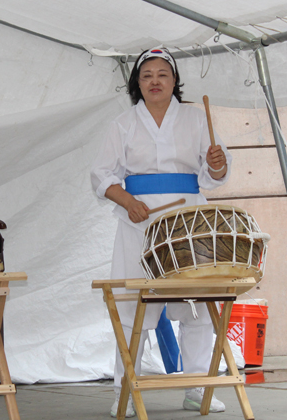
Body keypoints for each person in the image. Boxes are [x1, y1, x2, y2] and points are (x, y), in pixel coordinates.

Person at [90, 48, 232, 418]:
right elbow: (102, 174)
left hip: (189, 219)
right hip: (139, 220)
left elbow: (213, 173)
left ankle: (199, 385)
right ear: (137, 83)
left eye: (162, 74)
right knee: (131, 302)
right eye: (147, 75)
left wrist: (217, 166)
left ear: (174, 81)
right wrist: (125, 200)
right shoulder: (122, 123)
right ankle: (126, 386)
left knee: (198, 303)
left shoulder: (195, 118)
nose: (155, 81)